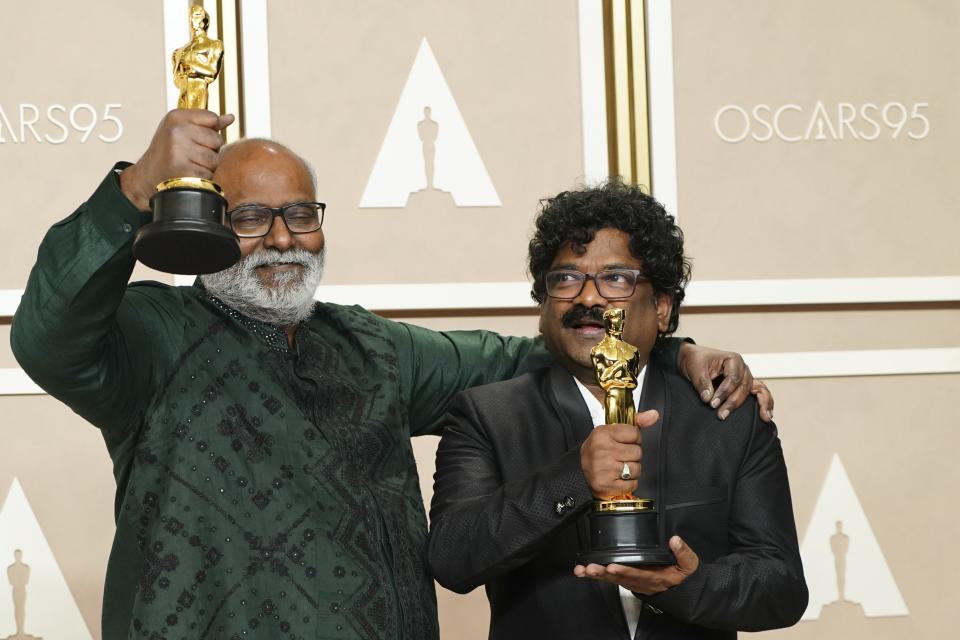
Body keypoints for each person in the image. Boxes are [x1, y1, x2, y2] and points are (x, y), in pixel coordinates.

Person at [10, 110, 768, 640]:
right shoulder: (151, 335)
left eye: (301, 214)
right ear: (208, 226)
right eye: (250, 219)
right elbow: (48, 335)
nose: (282, 239)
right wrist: (139, 184)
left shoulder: (370, 345)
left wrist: (669, 349)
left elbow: (529, 353)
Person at [426, 180, 806, 639]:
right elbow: (452, 557)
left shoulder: (728, 415)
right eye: (565, 279)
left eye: (616, 279)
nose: (588, 298)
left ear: (662, 308)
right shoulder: (487, 415)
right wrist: (574, 477)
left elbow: (782, 587)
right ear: (542, 306)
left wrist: (683, 585)